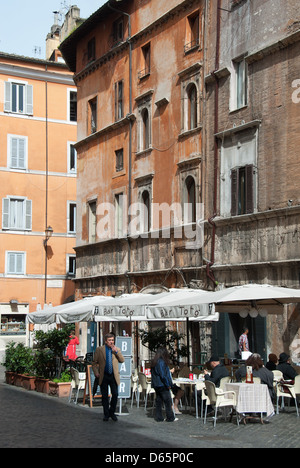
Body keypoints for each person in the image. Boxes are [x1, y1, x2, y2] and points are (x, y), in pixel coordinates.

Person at [92, 333, 125, 422]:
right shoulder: (100, 350)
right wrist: (96, 372)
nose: (111, 342)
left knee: (115, 394)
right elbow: (94, 363)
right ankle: (106, 414)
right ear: (106, 341)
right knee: (105, 396)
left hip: (113, 376)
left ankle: (112, 412)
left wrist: (116, 352)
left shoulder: (117, 349)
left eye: (112, 340)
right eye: (109, 340)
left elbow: (122, 360)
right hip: (104, 375)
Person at [151, 347, 178, 422]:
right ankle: (170, 417)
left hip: (156, 384)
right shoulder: (161, 362)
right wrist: (168, 384)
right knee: (167, 401)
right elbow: (163, 375)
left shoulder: (154, 361)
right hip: (162, 384)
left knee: (159, 401)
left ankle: (159, 417)